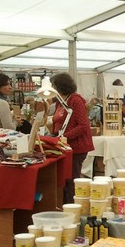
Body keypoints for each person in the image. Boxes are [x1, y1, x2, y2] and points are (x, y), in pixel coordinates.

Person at [50, 72, 94, 204]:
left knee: (72, 179)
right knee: (65, 179)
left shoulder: (76, 100)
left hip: (77, 147)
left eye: (53, 85)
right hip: (64, 146)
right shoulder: (60, 102)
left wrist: (63, 137)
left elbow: (83, 126)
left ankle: (73, 206)